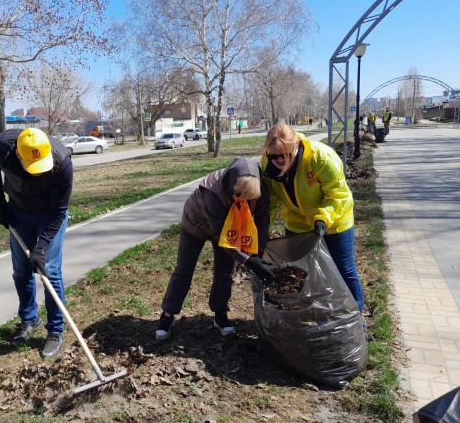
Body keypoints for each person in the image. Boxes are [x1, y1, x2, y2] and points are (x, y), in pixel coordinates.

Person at [156, 157, 275, 341]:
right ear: (231, 185)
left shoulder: (260, 188)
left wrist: (258, 254)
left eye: (249, 198)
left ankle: (220, 315)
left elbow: (262, 222)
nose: (243, 200)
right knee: (184, 269)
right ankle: (167, 315)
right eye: (239, 195)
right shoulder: (213, 192)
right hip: (196, 225)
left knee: (225, 271)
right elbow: (223, 238)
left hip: (231, 226)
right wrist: (247, 260)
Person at [0, 127, 73, 358]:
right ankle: (29, 320)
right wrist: (1, 207)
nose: (37, 173)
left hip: (49, 214)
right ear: (18, 155)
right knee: (21, 271)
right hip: (18, 210)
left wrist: (40, 248)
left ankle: (55, 331)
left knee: (49, 271)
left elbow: (59, 212)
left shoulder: (62, 161)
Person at [260, 123, 365, 313]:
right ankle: (312, 316)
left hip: (334, 222)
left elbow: (338, 195)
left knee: (344, 271)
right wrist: (261, 228)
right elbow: (272, 201)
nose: (278, 160)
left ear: (296, 146)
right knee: (302, 275)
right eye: (273, 155)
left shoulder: (321, 158)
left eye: (284, 155)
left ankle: (354, 319)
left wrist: (323, 218)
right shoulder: (268, 164)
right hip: (297, 224)